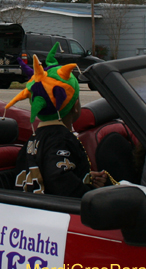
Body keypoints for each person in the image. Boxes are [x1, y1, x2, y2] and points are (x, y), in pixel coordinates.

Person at [8, 45, 108, 198]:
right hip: (55, 215)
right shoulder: (61, 140)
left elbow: (49, 171)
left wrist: (85, 178)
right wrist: (91, 198)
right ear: (75, 106)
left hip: (30, 209)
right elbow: (58, 178)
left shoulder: (32, 140)